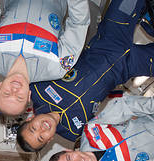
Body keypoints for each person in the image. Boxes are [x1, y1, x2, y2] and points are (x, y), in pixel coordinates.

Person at [17, 0, 154, 152]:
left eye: (33, 128)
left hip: (109, 39)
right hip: (131, 67)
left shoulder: (37, 89)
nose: (42, 129)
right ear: (49, 141)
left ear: (29, 119)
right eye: (41, 137)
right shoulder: (76, 133)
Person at [0, 0, 90, 116]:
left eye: (6, 93)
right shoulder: (56, 67)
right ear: (28, 95)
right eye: (19, 97)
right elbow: (79, 24)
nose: (14, 90)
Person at [47, 94, 154, 161]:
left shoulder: (91, 130)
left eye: (69, 158)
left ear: (69, 151)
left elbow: (124, 105)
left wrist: (151, 105)